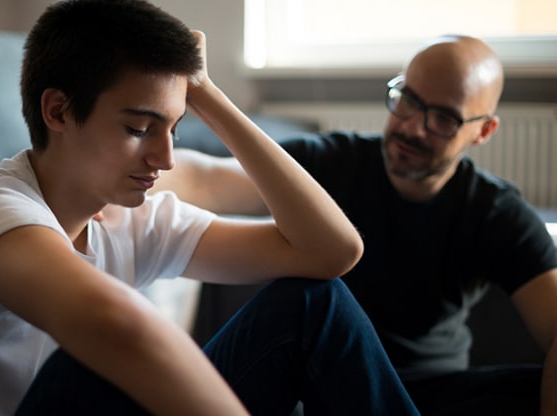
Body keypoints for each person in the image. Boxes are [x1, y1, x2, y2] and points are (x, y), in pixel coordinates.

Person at [0, 0, 420, 415]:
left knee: (312, 304)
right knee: (97, 363)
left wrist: (208, 94)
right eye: (139, 128)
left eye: (173, 127)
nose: (165, 158)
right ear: (58, 111)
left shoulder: (134, 217)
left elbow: (331, 252)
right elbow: (118, 327)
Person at [157, 34, 557, 415]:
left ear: (483, 130)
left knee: (533, 388)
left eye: (443, 119)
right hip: (327, 381)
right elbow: (208, 179)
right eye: (408, 100)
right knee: (310, 300)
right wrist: (133, 171)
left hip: (433, 393)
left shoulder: (495, 211)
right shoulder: (333, 163)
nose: (412, 127)